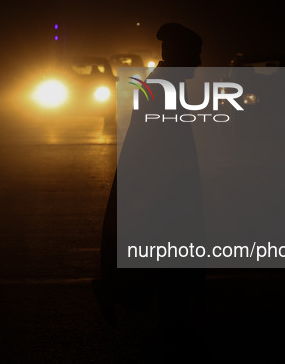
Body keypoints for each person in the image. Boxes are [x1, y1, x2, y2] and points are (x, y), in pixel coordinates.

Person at [93, 24, 207, 346]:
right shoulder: (162, 89)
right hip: (165, 192)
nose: (198, 63)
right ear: (178, 54)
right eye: (194, 55)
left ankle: (163, 318)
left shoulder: (162, 85)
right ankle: (167, 323)